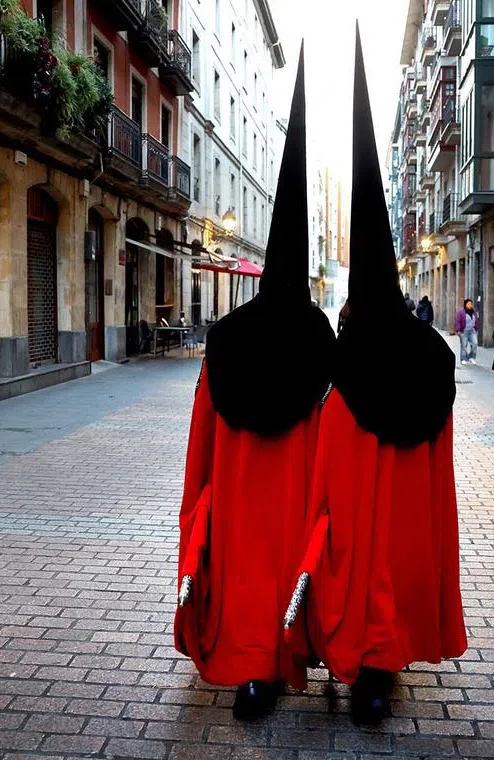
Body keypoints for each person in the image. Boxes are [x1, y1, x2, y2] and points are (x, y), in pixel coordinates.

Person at [284, 28, 467, 728]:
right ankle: (378, 675)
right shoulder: (430, 355)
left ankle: (354, 662)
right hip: (405, 512)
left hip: (357, 509)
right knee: (393, 570)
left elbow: (325, 458)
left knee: (358, 571)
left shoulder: (343, 361)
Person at [174, 47, 335, 722]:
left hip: (241, 496)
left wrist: (199, 510)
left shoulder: (227, 339)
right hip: (294, 494)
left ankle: (252, 674)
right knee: (282, 567)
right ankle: (281, 658)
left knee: (247, 570)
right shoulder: (320, 341)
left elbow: (201, 441)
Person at [454, 298, 478, 366]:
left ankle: (472, 357)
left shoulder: (474, 312)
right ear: (465, 305)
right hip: (464, 331)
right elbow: (457, 321)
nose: (470, 305)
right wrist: (458, 330)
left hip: (472, 331)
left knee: (475, 343)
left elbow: (476, 320)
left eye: (471, 304)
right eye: (468, 304)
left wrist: (476, 327)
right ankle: (463, 359)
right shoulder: (461, 313)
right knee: (464, 345)